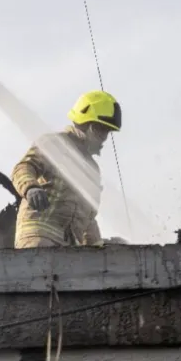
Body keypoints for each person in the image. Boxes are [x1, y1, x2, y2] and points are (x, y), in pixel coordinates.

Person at [11, 90, 122, 249]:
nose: (104, 138)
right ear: (87, 125)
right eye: (102, 131)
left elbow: (88, 216)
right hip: (40, 235)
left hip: (69, 248)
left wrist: (98, 246)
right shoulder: (56, 143)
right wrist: (31, 187)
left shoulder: (92, 169)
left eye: (107, 132)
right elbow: (24, 167)